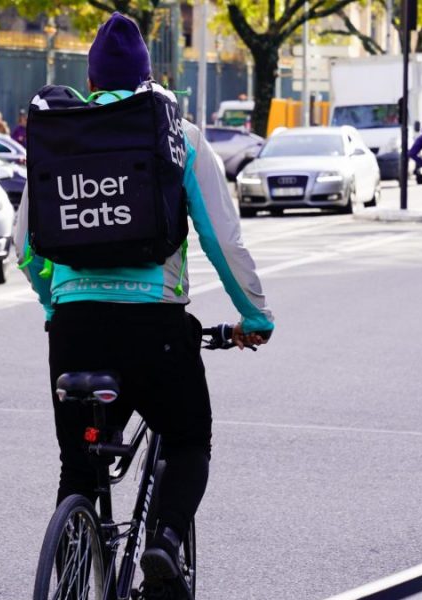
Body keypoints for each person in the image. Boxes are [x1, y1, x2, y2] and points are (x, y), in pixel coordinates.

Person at [14, 12, 274, 597]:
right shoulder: (177, 134)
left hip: (75, 329)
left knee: (78, 467)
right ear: (148, 74)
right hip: (155, 329)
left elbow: (25, 248)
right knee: (187, 440)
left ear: (92, 77)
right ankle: (165, 543)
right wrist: (255, 316)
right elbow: (223, 241)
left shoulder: (63, 136)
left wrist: (55, 307)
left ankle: (74, 572)